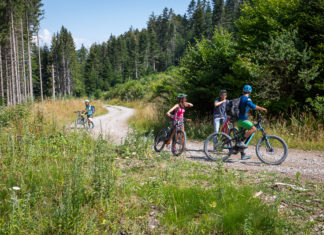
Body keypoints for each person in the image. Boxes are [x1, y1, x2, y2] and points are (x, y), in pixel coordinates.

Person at [237, 85, 267, 160]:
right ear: (250, 92)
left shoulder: (240, 98)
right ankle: (241, 142)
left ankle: (243, 155)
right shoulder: (247, 99)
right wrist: (261, 109)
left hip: (238, 120)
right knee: (254, 129)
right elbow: (252, 106)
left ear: (243, 91)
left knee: (241, 137)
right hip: (242, 120)